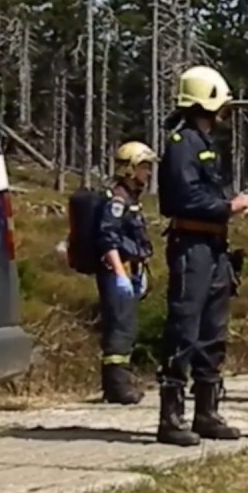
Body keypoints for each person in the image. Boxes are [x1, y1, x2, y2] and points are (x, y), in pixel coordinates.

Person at [155, 65, 248, 447]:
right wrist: (228, 206)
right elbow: (181, 197)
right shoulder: (183, 143)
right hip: (192, 245)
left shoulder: (204, 143)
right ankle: (171, 416)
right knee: (184, 327)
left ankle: (207, 411)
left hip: (213, 248)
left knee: (213, 330)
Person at [95, 141, 157, 406]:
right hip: (115, 271)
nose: (148, 173)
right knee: (119, 328)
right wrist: (120, 273)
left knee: (127, 327)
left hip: (129, 270)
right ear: (130, 168)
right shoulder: (118, 200)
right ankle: (117, 387)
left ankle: (119, 384)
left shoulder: (131, 199)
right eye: (144, 167)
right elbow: (107, 239)